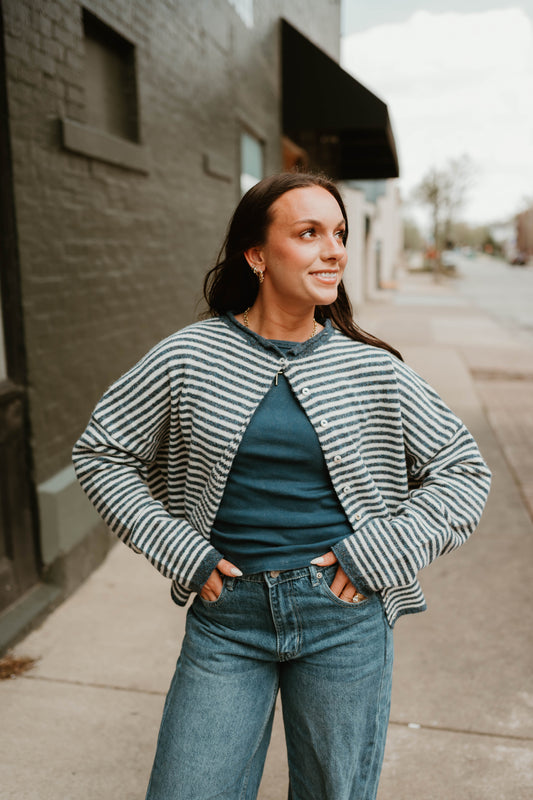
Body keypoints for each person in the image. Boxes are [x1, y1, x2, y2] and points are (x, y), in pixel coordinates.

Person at [73, 172, 491, 800]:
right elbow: (102, 452)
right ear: (258, 254)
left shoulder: (371, 368)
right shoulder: (189, 356)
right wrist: (177, 547)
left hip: (344, 615)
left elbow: (464, 470)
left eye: (340, 234)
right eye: (309, 233)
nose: (335, 251)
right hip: (227, 619)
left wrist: (383, 550)